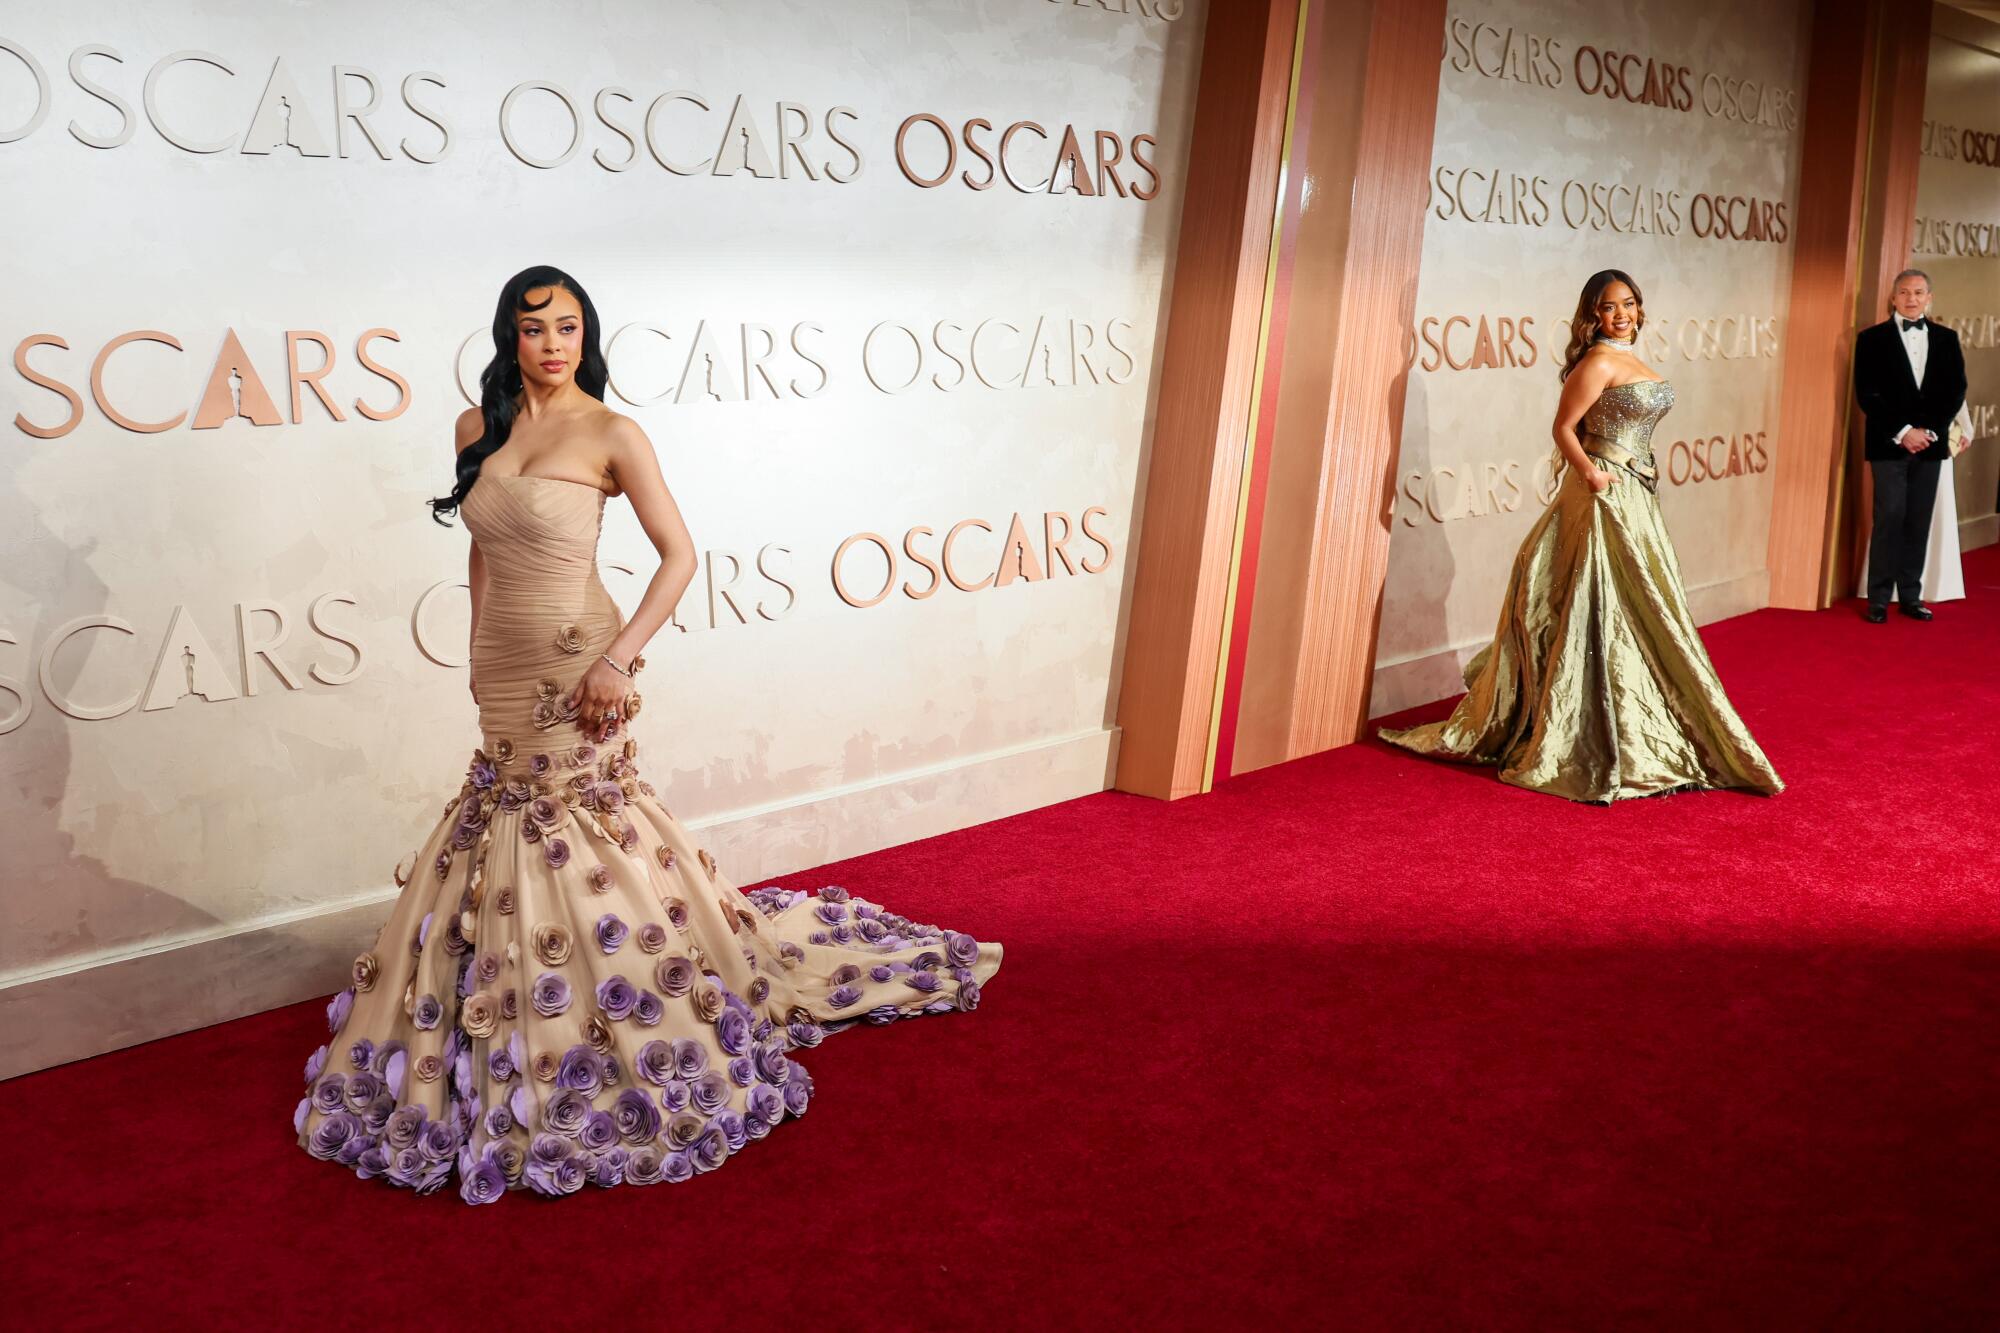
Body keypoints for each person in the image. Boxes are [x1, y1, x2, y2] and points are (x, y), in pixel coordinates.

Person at [292, 266, 1001, 1202]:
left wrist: (618, 659)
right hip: (505, 668)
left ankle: (590, 1016)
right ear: (508, 335)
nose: (553, 343)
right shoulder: (478, 428)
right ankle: (506, 1011)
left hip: (584, 656)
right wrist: (474, 648)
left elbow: (680, 555)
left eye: (570, 326)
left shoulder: (612, 432)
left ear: (589, 336)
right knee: (501, 814)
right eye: (536, 326)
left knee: (573, 827)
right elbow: (481, 546)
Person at [1379, 269, 1783, 803]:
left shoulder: (1631, 358)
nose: (1621, 314)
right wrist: (1592, 474)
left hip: (1636, 493)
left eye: (1629, 304)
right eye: (1610, 307)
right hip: (1601, 495)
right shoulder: (1597, 362)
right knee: (1601, 604)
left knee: (1642, 605)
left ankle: (1640, 719)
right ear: (1593, 314)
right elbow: (1564, 428)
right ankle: (1590, 734)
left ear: (1639, 308)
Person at [1852, 268, 1967, 622]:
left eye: (1918, 292)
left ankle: (1911, 596)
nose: (1911, 298)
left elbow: (1955, 391)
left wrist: (1929, 432)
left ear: (1929, 297)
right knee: (1888, 517)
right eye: (1904, 292)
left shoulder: (1948, 339)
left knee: (1918, 519)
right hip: (1888, 444)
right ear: (1893, 297)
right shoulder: (1871, 339)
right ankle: (1879, 599)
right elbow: (1867, 394)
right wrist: (1904, 431)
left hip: (1930, 446)